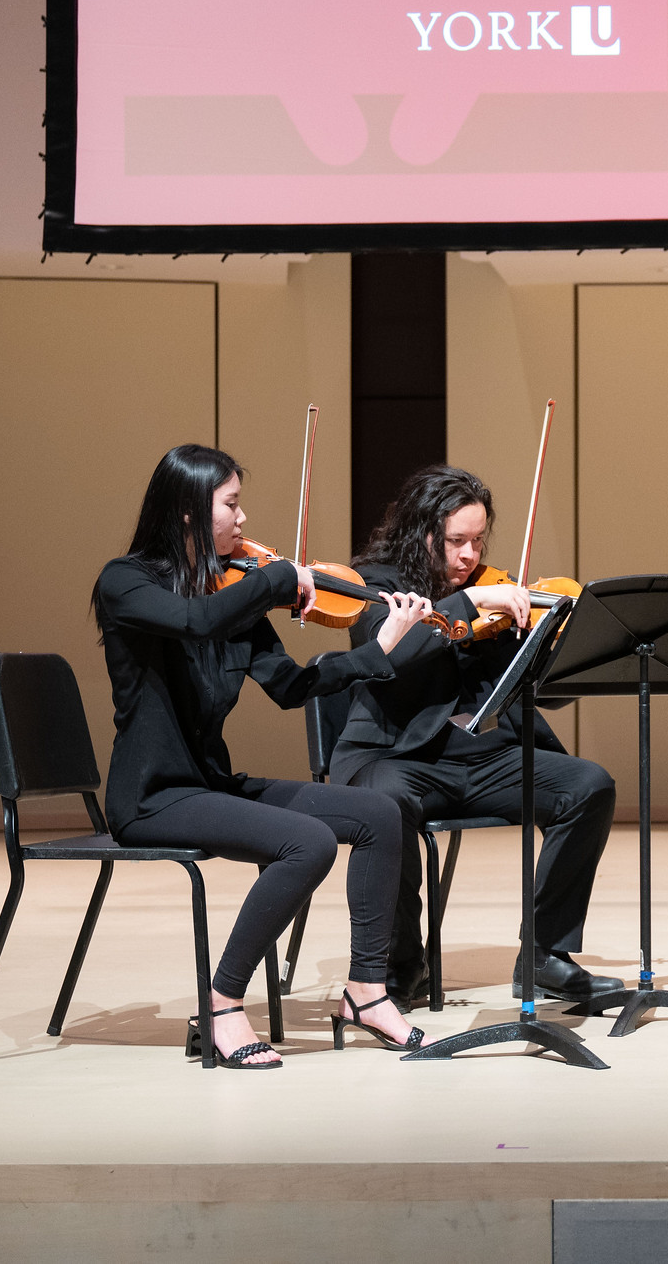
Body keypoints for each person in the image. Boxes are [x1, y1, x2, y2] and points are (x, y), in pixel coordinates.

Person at [94, 444, 438, 1068]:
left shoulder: (233, 593)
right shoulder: (127, 583)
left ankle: (366, 989)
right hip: (152, 796)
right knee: (306, 843)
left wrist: (380, 646)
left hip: (210, 784)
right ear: (192, 513)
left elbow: (291, 688)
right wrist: (276, 581)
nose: (244, 519)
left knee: (379, 816)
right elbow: (193, 622)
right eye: (231, 504)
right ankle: (222, 1002)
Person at [332, 465, 623, 1006]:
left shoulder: (496, 586)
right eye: (456, 542)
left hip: (487, 757)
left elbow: (546, 693)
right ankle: (400, 964)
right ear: (422, 533)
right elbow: (385, 654)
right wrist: (466, 608)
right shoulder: (376, 582)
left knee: (589, 785)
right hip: (398, 756)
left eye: (478, 541)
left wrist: (550, 642)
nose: (470, 556)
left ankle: (544, 957)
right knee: (383, 804)